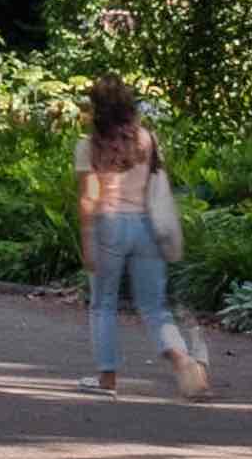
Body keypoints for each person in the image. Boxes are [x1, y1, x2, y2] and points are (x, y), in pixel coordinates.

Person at [74, 76, 208, 397]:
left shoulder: (88, 146)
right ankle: (182, 362)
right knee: (154, 307)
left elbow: (89, 198)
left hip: (108, 226)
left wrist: (88, 239)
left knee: (103, 305)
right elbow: (155, 184)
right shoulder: (146, 140)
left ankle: (107, 379)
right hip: (146, 226)